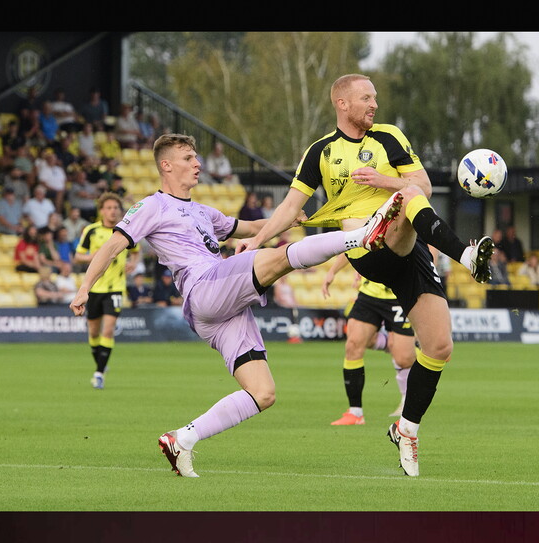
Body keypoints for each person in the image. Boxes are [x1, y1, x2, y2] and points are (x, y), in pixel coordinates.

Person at [69, 133, 400, 477]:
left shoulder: (202, 211)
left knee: (263, 392)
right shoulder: (152, 206)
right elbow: (112, 246)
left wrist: (289, 219)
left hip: (219, 311)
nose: (197, 163)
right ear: (165, 166)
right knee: (275, 260)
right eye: (187, 158)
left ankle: (181, 439)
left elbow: (250, 227)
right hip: (204, 288)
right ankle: (362, 236)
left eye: (196, 157)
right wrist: (84, 288)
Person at [233, 74, 497, 477]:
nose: (374, 104)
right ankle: (463, 254)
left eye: (375, 97)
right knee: (403, 198)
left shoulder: (389, 137)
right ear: (342, 103)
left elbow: (423, 184)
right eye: (365, 98)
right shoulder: (321, 151)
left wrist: (383, 180)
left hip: (408, 249)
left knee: (440, 347)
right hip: (366, 250)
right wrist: (258, 241)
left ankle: (406, 429)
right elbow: (289, 207)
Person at [322, 253, 416, 423]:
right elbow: (352, 245)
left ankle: (406, 398)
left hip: (399, 295)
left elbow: (428, 249)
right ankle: (355, 413)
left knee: (404, 359)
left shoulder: (407, 226)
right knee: (353, 344)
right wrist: (333, 271)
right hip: (370, 293)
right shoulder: (368, 224)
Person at [71, 192, 142, 390]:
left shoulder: (124, 231)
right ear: (101, 210)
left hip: (115, 289)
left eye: (115, 208)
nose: (112, 211)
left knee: (108, 329)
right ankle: (100, 364)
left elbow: (136, 250)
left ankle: (99, 373)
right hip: (93, 289)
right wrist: (92, 257)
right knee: (93, 331)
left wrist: (133, 263)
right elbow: (78, 256)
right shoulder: (91, 231)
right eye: (108, 208)